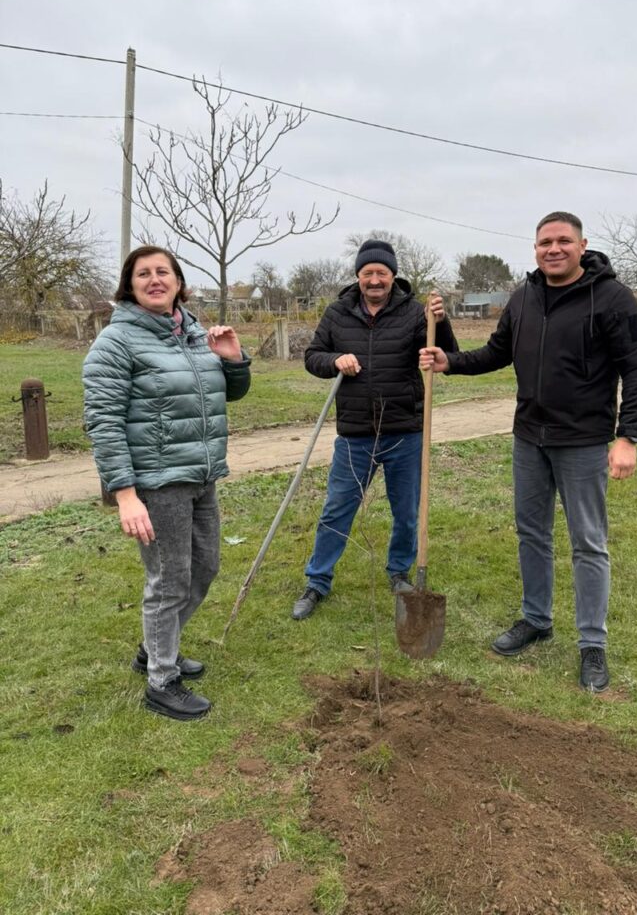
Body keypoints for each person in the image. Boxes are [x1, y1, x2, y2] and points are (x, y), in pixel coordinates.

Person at [420, 212, 637, 691]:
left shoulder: (611, 298)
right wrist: (451, 362)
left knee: (588, 542)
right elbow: (496, 353)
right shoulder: (523, 297)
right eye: (545, 241)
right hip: (529, 438)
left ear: (582, 245)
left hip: (584, 441)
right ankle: (536, 619)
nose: (554, 249)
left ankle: (592, 644)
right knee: (532, 533)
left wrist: (628, 436)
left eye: (563, 241)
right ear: (535, 248)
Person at [83, 246, 251, 720]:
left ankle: (154, 647)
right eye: (143, 274)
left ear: (178, 282)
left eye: (163, 272)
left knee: (206, 568)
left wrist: (234, 359)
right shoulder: (116, 342)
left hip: (202, 474)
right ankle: (162, 680)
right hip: (156, 484)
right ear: (129, 285)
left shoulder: (194, 334)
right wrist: (125, 495)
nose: (155, 279)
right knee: (169, 580)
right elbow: (104, 421)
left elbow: (229, 394)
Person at [292, 238, 458, 620]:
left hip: (405, 431)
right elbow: (312, 358)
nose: (375, 280)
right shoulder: (337, 313)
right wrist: (336, 360)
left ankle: (399, 571)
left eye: (382, 273)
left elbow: (446, 355)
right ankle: (317, 581)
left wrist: (441, 321)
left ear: (393, 276)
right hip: (355, 434)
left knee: (406, 512)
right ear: (358, 276)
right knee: (337, 510)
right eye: (368, 273)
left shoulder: (415, 313)